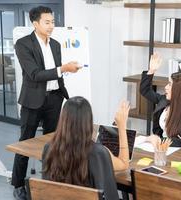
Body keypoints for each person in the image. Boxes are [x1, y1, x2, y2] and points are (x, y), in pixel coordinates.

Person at [12, 6, 80, 200]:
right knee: (25, 144)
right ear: (35, 23)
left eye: (53, 22)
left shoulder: (56, 44)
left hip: (54, 99)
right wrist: (62, 68)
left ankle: (49, 181)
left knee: (52, 143)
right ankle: (18, 184)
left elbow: (56, 74)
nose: (52, 26)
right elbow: (34, 74)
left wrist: (64, 74)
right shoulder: (23, 44)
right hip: (32, 101)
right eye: (47, 22)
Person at [42, 97, 130, 200]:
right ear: (89, 121)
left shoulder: (49, 148)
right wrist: (122, 127)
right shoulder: (99, 153)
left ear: (62, 120)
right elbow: (124, 163)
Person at [140, 53, 181, 147]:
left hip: (175, 152)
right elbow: (145, 90)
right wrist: (151, 70)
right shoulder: (163, 100)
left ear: (179, 90)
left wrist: (160, 140)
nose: (165, 87)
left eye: (169, 84)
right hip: (158, 148)